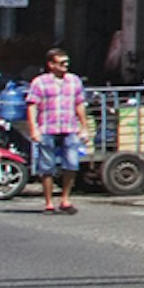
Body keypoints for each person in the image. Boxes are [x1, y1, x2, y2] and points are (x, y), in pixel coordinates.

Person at [23, 47, 88, 214]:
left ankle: (65, 199)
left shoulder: (74, 81)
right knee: (47, 166)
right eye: (61, 63)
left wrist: (84, 127)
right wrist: (34, 129)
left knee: (72, 164)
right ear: (51, 64)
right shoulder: (40, 82)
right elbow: (32, 106)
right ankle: (49, 202)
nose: (65, 65)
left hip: (69, 127)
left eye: (67, 62)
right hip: (47, 128)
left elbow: (79, 104)